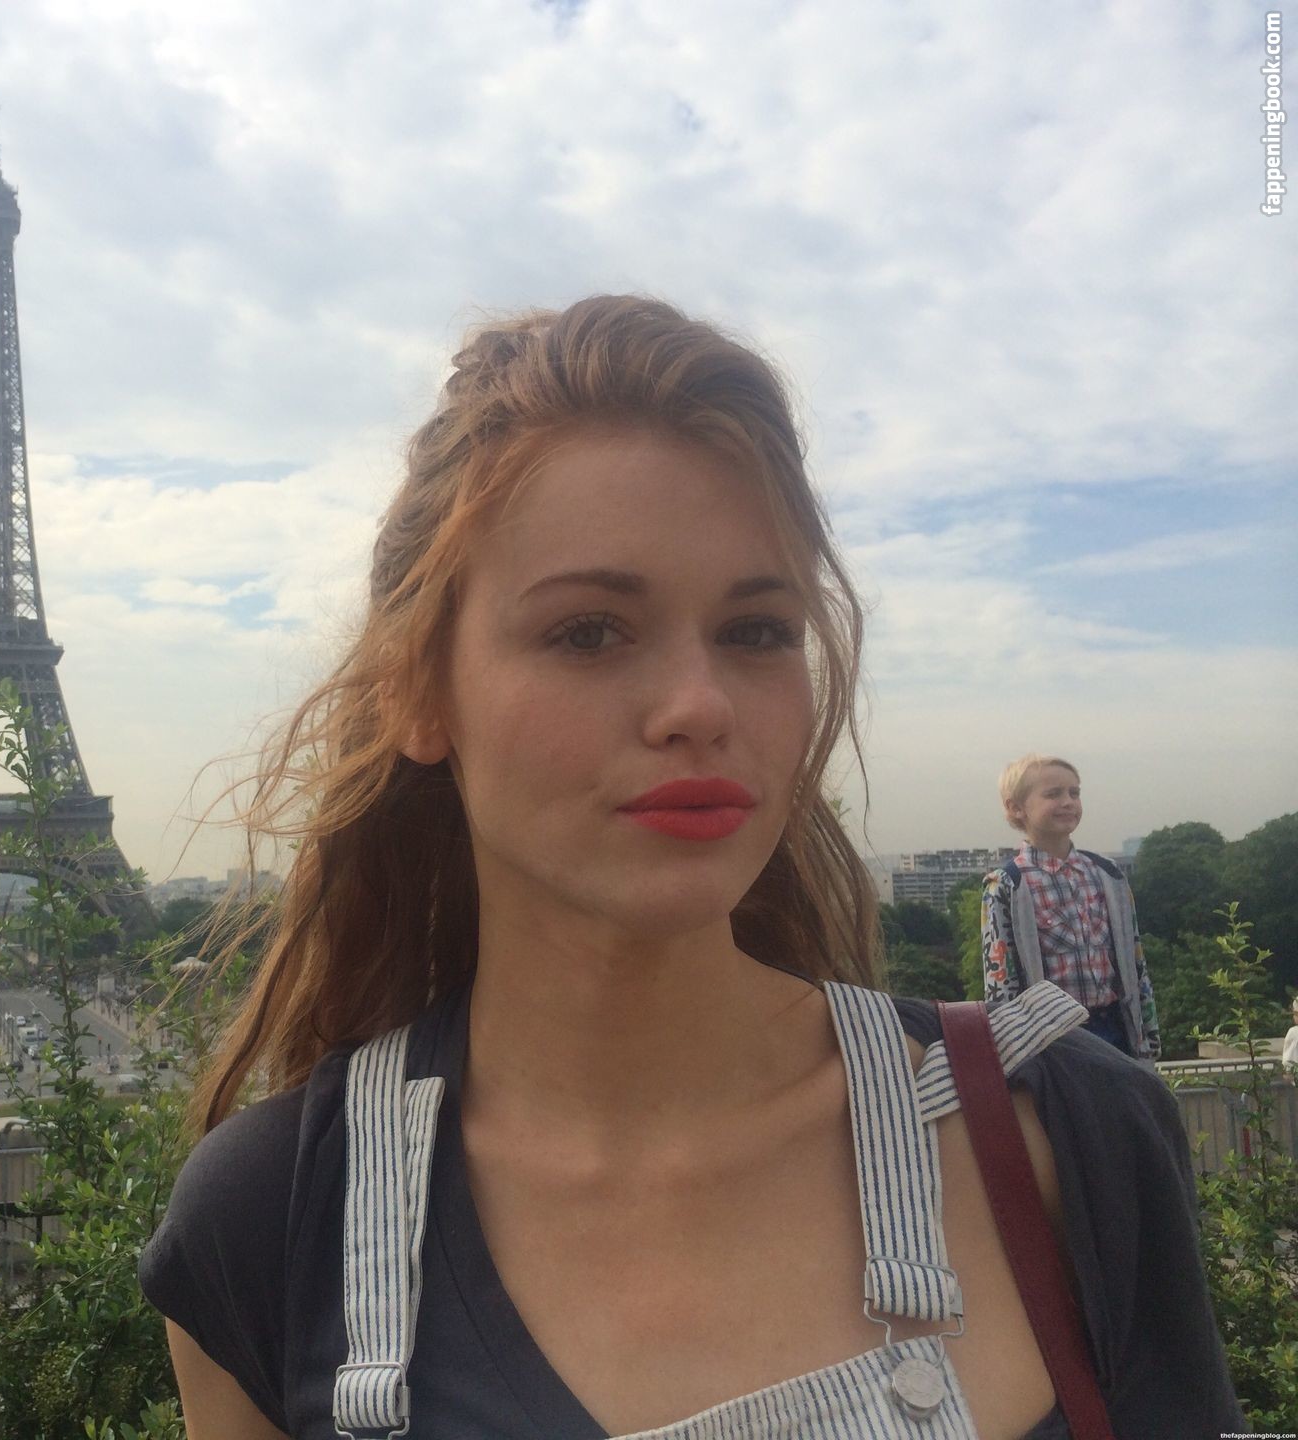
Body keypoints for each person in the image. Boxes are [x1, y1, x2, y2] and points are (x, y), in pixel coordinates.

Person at [139, 296, 1239, 1437]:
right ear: (418, 690)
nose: (700, 705)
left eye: (757, 632)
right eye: (588, 631)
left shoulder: (1077, 1129)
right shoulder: (261, 1226)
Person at [980, 756, 1161, 1064]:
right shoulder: (1008, 885)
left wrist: (1149, 1037)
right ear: (1016, 808)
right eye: (1053, 794)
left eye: (1074, 793)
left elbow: (1135, 962)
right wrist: (1013, 1057)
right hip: (1053, 1040)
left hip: (1115, 1029)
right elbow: (1000, 983)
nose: (1068, 802)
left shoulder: (1108, 875)